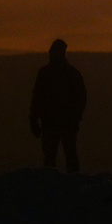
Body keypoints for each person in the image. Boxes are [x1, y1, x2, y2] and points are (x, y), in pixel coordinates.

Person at [29, 38, 85, 173]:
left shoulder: (45, 73)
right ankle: (72, 184)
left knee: (53, 156)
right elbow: (81, 98)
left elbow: (37, 97)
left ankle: (52, 186)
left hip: (53, 121)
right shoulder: (71, 73)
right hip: (63, 121)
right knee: (67, 155)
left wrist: (34, 118)